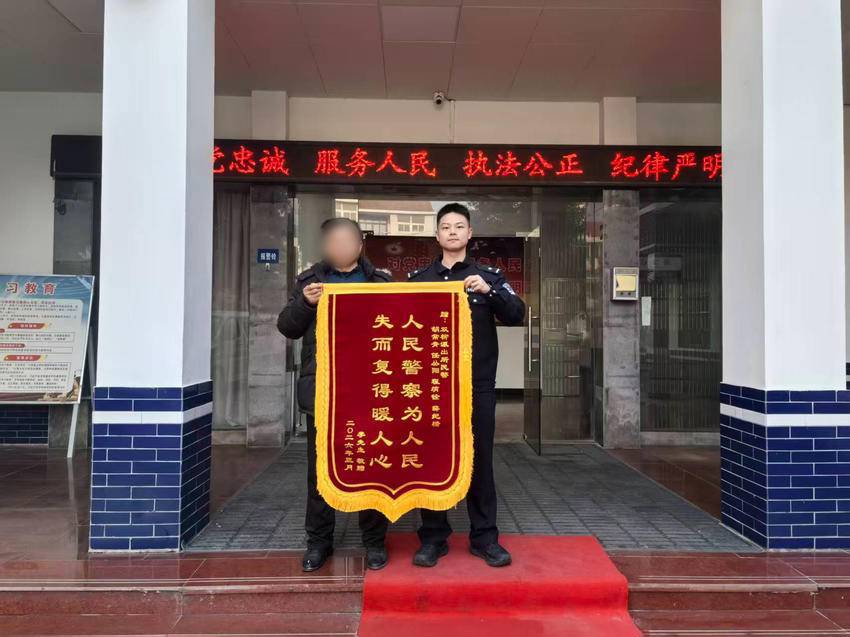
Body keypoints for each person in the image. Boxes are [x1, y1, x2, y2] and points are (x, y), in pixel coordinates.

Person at [407, 203, 525, 568]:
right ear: (437, 235)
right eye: (446, 227)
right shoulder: (418, 280)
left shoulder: (487, 276)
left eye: (459, 226)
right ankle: (433, 537)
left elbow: (516, 314)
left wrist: (490, 291)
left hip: (477, 387)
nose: (453, 232)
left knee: (480, 461)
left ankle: (484, 538)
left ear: (470, 233)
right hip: (431, 389)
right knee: (431, 458)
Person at [277, 217, 392, 572]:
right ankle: (318, 542)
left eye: (346, 241)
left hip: (370, 391)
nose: (340, 247)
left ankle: (374, 541)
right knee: (320, 471)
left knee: (372, 465)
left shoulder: (380, 282)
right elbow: (287, 327)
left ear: (359, 245)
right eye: (333, 241)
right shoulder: (309, 282)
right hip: (324, 392)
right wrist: (305, 304)